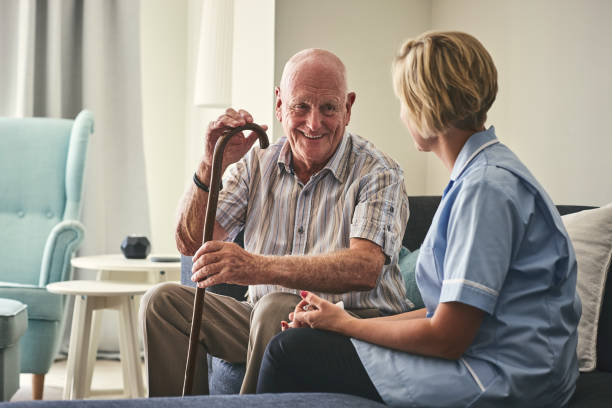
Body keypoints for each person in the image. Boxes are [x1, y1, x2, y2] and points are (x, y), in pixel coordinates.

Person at [256, 31, 581, 408]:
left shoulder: (485, 190)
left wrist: (349, 327)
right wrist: (337, 320)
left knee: (289, 353)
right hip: (502, 363)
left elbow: (447, 338)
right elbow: (442, 315)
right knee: (309, 339)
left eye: (402, 101)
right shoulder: (483, 174)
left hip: (500, 378)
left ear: (423, 105)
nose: (401, 113)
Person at [139, 48, 410, 396]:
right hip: (261, 319)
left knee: (273, 306)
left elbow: (364, 268)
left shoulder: (378, 172)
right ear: (280, 104)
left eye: (328, 108)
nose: (314, 123)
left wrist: (256, 267)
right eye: (301, 106)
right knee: (160, 303)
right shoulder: (257, 164)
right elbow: (190, 243)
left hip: (351, 328)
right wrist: (210, 163)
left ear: (348, 107)